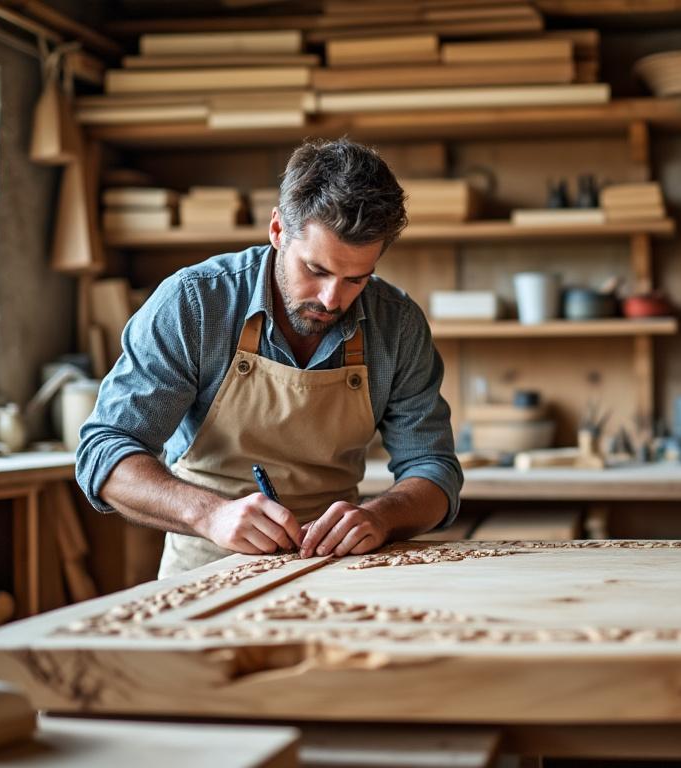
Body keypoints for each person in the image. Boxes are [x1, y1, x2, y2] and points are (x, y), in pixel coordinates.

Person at [75, 139, 462, 577]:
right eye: (316, 270)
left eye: (356, 279)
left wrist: (381, 517)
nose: (331, 299)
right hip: (208, 562)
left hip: (337, 565)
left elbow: (434, 469)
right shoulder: (196, 304)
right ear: (277, 230)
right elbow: (104, 452)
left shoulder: (397, 323)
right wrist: (209, 515)